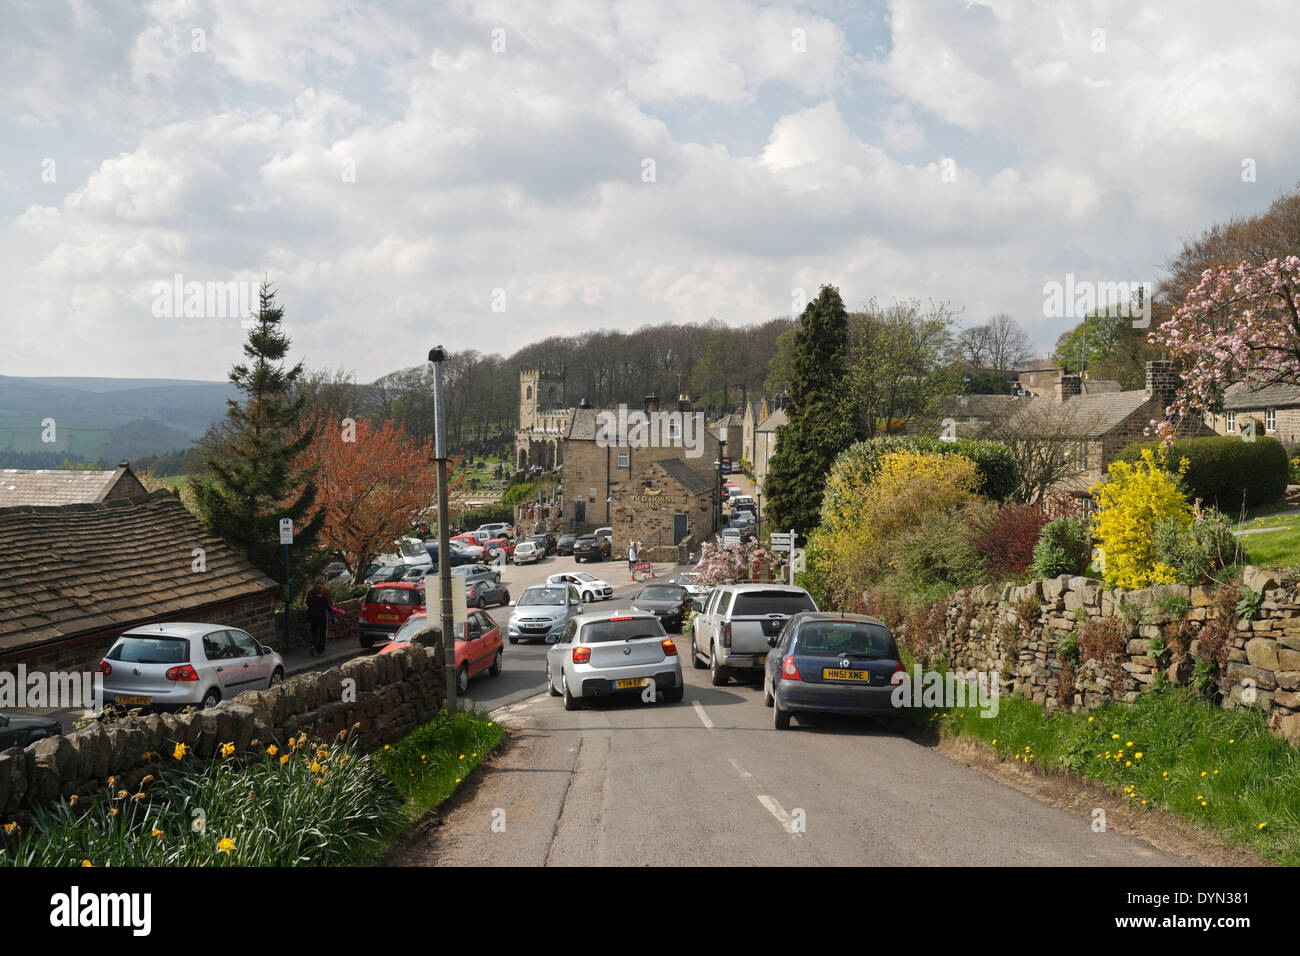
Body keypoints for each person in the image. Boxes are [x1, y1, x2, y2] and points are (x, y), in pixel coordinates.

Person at [306, 577, 332, 657]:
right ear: (323, 584)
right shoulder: (326, 592)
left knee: (314, 632)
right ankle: (320, 649)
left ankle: (313, 645)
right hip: (322, 616)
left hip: (312, 616)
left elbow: (308, 603)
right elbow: (329, 605)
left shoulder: (311, 592)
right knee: (322, 633)